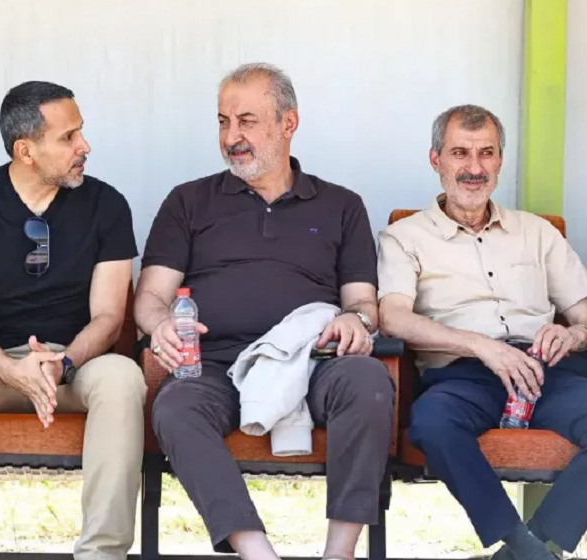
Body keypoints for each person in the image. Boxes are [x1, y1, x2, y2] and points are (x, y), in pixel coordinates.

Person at [134, 62, 394, 560]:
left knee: (369, 382)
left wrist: (356, 320)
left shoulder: (341, 206)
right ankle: (257, 553)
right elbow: (149, 298)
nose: (232, 136)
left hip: (314, 361)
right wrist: (160, 324)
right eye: (223, 122)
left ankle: (339, 553)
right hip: (215, 364)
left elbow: (363, 302)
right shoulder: (189, 202)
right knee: (175, 407)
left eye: (247, 121)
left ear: (288, 123)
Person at [0, 80, 146, 560]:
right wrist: (10, 369)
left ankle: (102, 554)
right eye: (69, 137)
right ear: (25, 150)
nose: (85, 146)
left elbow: (110, 316)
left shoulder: (107, 204)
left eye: (80, 132)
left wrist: (64, 363)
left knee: (123, 377)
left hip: (77, 365)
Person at [377, 104, 587, 560]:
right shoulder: (404, 236)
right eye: (460, 153)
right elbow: (393, 318)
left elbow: (583, 312)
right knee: (431, 423)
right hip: (463, 375)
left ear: (500, 160)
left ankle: (534, 548)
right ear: (436, 159)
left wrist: (573, 335)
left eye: (486, 153)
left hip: (545, 371)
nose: (474, 167)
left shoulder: (538, 233)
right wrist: (482, 346)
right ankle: (522, 545)